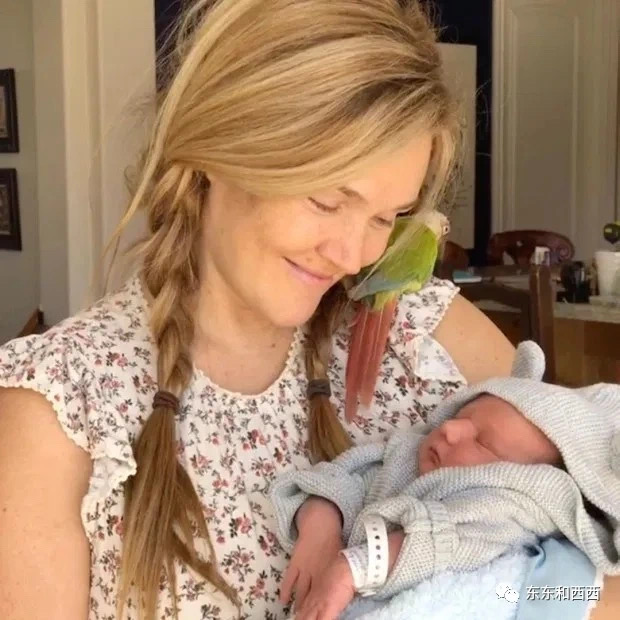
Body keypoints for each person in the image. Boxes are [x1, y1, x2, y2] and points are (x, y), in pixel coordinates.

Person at [0, 1, 617, 619]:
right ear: (217, 150)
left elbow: (592, 553)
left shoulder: (427, 334)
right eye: (326, 200)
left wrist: (519, 601)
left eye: (387, 217)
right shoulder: (60, 407)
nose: (353, 256)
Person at [270, 342, 620, 619]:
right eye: (464, 415)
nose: (451, 429)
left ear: (522, 479)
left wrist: (353, 568)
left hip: (505, 594)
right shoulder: (412, 451)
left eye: (482, 442)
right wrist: (321, 526)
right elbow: (342, 476)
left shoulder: (511, 504)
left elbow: (445, 539)